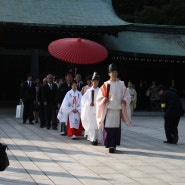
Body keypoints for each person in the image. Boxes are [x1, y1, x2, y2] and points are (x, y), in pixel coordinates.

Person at [96, 63, 132, 153]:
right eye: (112, 72)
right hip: (109, 110)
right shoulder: (105, 85)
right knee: (109, 128)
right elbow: (98, 97)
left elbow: (127, 95)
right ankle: (110, 145)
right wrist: (104, 99)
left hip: (117, 110)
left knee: (116, 128)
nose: (114, 74)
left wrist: (125, 99)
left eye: (116, 72)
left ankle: (114, 144)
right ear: (109, 74)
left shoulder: (121, 84)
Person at [81, 72, 102, 145]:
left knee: (97, 125)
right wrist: (89, 104)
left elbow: (102, 100)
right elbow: (83, 100)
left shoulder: (100, 91)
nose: (95, 83)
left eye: (96, 81)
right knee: (92, 125)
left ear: (98, 82)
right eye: (94, 81)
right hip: (90, 110)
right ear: (91, 82)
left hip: (98, 110)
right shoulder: (88, 91)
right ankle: (92, 138)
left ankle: (96, 138)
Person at [57, 71, 73, 135]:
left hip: (71, 104)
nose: (69, 77)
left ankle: (69, 130)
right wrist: (58, 102)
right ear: (65, 77)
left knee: (70, 117)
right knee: (63, 116)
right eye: (68, 76)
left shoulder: (73, 85)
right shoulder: (62, 85)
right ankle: (63, 130)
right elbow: (58, 94)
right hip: (63, 103)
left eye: (70, 76)